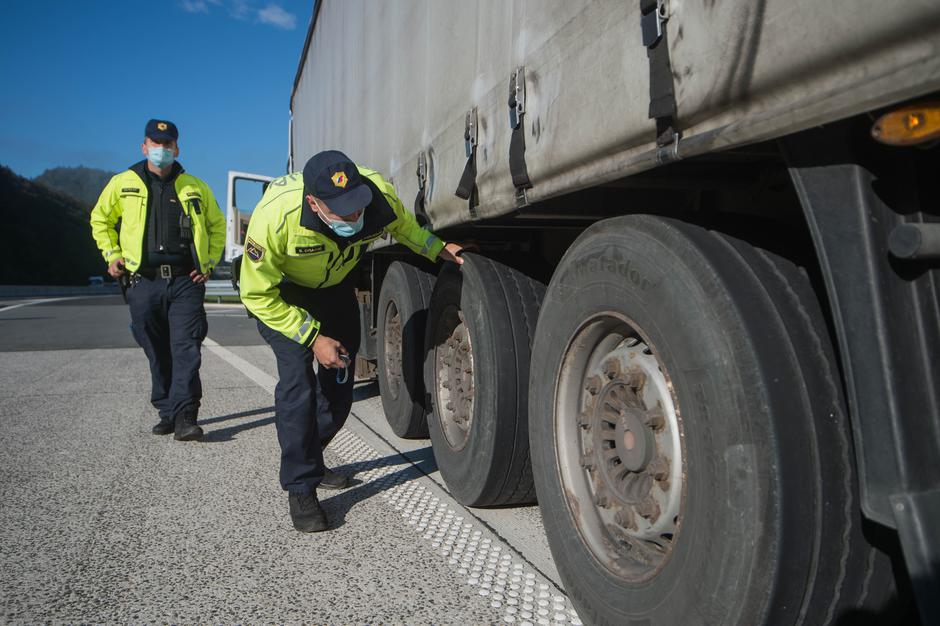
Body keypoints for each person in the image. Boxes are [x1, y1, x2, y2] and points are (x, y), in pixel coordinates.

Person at [240, 150, 464, 532]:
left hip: (334, 291)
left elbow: (406, 228)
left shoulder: (376, 194)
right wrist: (312, 338)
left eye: (356, 206)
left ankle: (314, 457)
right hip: (283, 296)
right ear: (314, 203)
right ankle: (301, 487)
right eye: (342, 211)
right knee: (299, 389)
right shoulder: (274, 218)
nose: (354, 218)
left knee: (340, 390)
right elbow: (256, 294)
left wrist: (441, 250)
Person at [90, 119, 225, 441]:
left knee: (186, 348)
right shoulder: (123, 182)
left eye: (167, 144)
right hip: (142, 281)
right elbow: (100, 219)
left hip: (185, 281)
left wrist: (207, 263)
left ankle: (185, 417)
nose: (161, 149)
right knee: (156, 348)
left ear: (177, 148)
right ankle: (167, 409)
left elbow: (217, 226)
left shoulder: (195, 186)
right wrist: (112, 254)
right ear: (144, 146)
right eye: (155, 143)